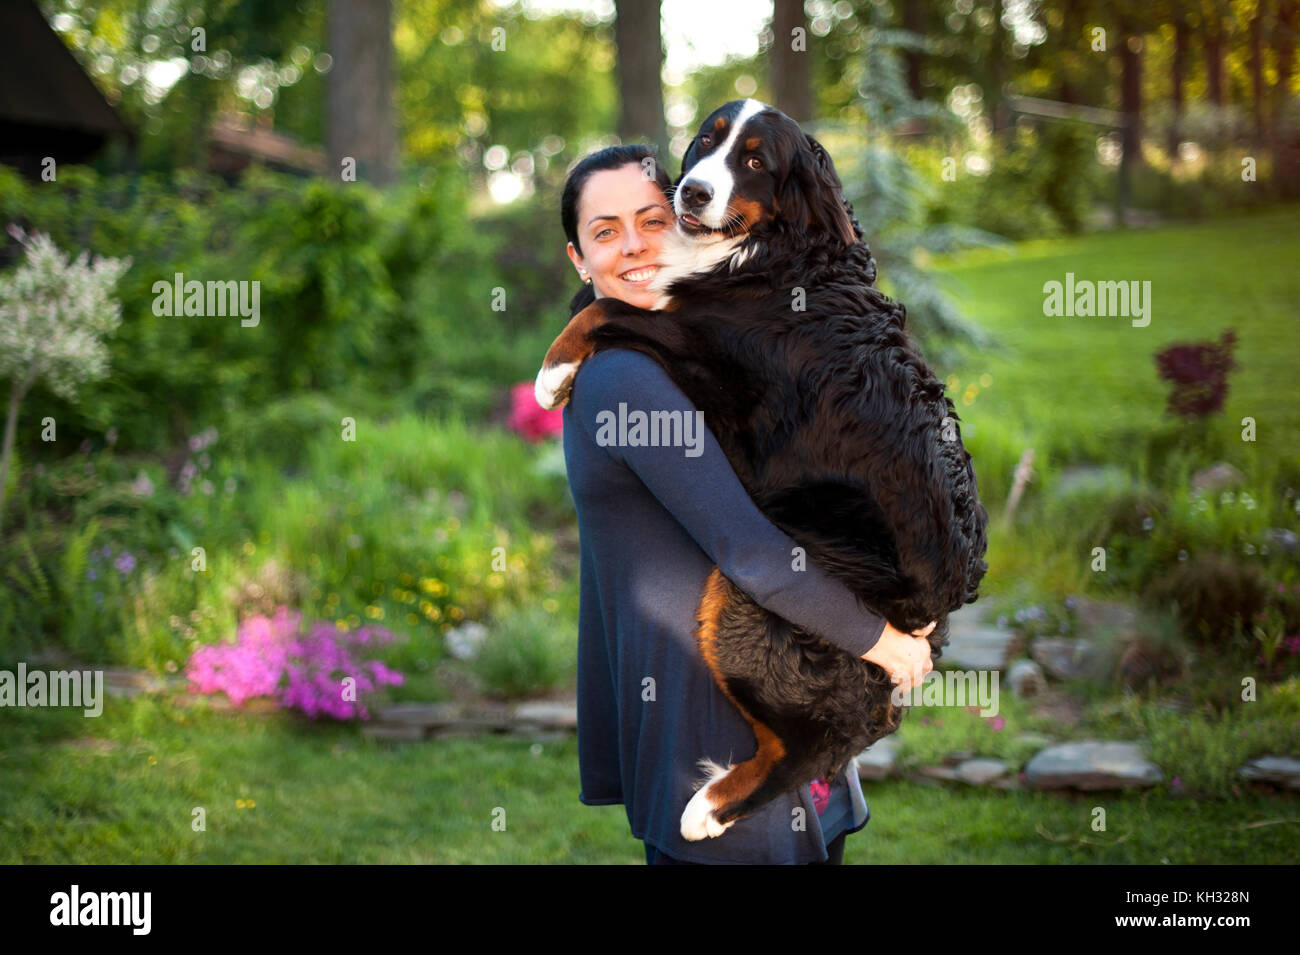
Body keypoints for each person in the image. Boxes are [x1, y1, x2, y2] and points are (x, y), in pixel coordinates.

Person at [556, 144, 934, 864]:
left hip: (789, 708)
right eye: (606, 232)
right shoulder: (625, 379)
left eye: (651, 218)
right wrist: (888, 644)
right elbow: (752, 550)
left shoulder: (686, 349)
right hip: (716, 739)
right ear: (579, 258)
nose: (635, 244)